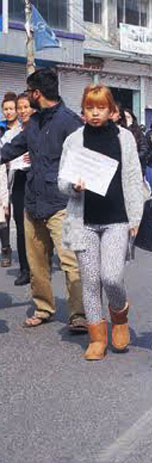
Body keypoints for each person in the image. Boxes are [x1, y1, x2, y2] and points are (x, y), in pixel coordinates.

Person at [58, 85, 147, 360]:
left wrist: (135, 217)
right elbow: (62, 181)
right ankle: (97, 337)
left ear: (112, 111)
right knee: (90, 280)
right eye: (89, 108)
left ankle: (119, 317)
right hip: (83, 220)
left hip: (117, 219)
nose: (95, 113)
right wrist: (74, 186)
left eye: (101, 108)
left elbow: (134, 178)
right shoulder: (74, 140)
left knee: (111, 275)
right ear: (83, 110)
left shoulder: (125, 139)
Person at [0, 69, 86, 331]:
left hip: (62, 204)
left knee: (70, 262)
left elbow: (85, 159)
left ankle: (78, 314)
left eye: (29, 92)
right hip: (32, 203)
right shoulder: (32, 123)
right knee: (37, 263)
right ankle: (44, 307)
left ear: (37, 93)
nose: (27, 97)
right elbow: (11, 149)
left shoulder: (71, 123)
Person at [5, 93, 32, 285]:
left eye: (25, 107)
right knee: (21, 227)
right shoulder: (11, 134)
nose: (22, 111)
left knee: (41, 226)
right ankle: (25, 268)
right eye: (19, 108)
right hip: (19, 180)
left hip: (39, 180)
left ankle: (42, 263)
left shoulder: (41, 129)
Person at [1, 92, 20, 268]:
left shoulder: (23, 129)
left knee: (20, 213)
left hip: (19, 175)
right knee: (3, 214)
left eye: (11, 109)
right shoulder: (0, 129)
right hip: (2, 174)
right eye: (5, 109)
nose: (8, 112)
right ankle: (5, 249)